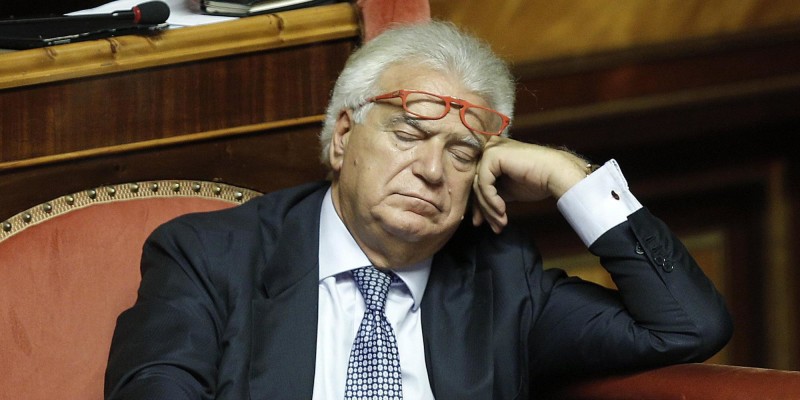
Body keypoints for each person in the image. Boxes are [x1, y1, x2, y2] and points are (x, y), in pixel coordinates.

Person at [104, 21, 732, 400]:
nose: (432, 170)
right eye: (408, 135)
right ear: (343, 135)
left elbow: (688, 326)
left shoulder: (501, 282)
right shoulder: (211, 259)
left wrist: (571, 177)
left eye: (463, 152)